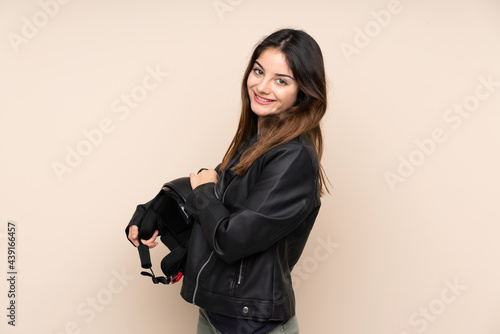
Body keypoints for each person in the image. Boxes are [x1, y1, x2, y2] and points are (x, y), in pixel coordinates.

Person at [128, 28, 328, 334]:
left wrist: (205, 191)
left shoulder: (293, 158)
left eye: (281, 80)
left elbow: (231, 237)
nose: (261, 86)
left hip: (253, 325)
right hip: (217, 315)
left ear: (302, 93)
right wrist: (157, 208)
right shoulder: (258, 140)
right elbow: (218, 193)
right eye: (258, 71)